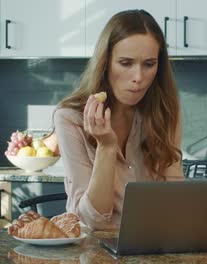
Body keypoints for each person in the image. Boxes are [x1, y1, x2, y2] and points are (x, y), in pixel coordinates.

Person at [53, 9, 183, 230]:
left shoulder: (165, 112)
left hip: (151, 244)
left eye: (149, 64)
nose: (138, 78)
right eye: (125, 63)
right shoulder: (69, 118)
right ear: (105, 64)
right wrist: (106, 147)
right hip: (93, 250)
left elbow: (176, 201)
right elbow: (93, 220)